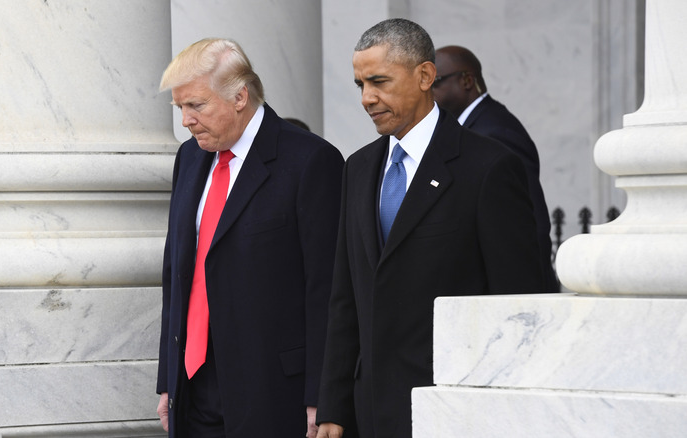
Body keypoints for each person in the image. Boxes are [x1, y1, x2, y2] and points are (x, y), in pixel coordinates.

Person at [316, 19, 545, 438]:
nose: (367, 98)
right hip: (370, 411)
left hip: (455, 408)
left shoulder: (489, 167)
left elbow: (520, 302)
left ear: (424, 76)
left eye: (379, 81)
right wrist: (333, 405)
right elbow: (345, 297)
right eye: (360, 85)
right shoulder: (358, 168)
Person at [156, 38, 344, 438]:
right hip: (193, 388)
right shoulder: (189, 158)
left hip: (275, 392)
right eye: (180, 108)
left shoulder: (311, 160)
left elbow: (327, 289)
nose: (186, 121)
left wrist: (323, 395)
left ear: (240, 96)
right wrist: (168, 380)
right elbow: (176, 275)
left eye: (197, 106)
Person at [432, 45, 559, 292]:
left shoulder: (496, 132)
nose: (427, 93)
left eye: (435, 82)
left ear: (466, 80)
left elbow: (530, 224)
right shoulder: (471, 128)